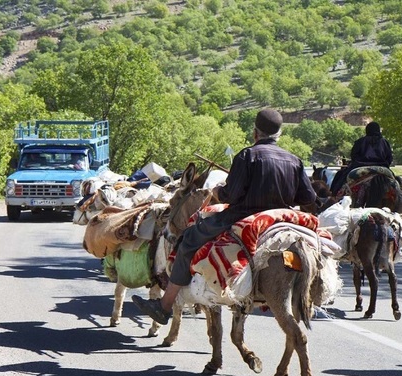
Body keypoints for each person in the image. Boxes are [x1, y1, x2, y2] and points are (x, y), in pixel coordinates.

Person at [132, 108, 317, 325]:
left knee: (189, 238)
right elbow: (307, 197)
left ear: (255, 133)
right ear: (279, 134)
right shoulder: (294, 160)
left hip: (244, 215)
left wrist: (219, 190)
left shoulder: (247, 155)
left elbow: (231, 195)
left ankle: (164, 306)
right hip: (282, 217)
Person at [329, 121, 393, 197]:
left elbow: (354, 156)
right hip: (382, 167)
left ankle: (334, 196)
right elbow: (389, 158)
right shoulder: (385, 142)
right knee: (397, 182)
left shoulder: (360, 141)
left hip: (359, 166)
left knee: (339, 177)